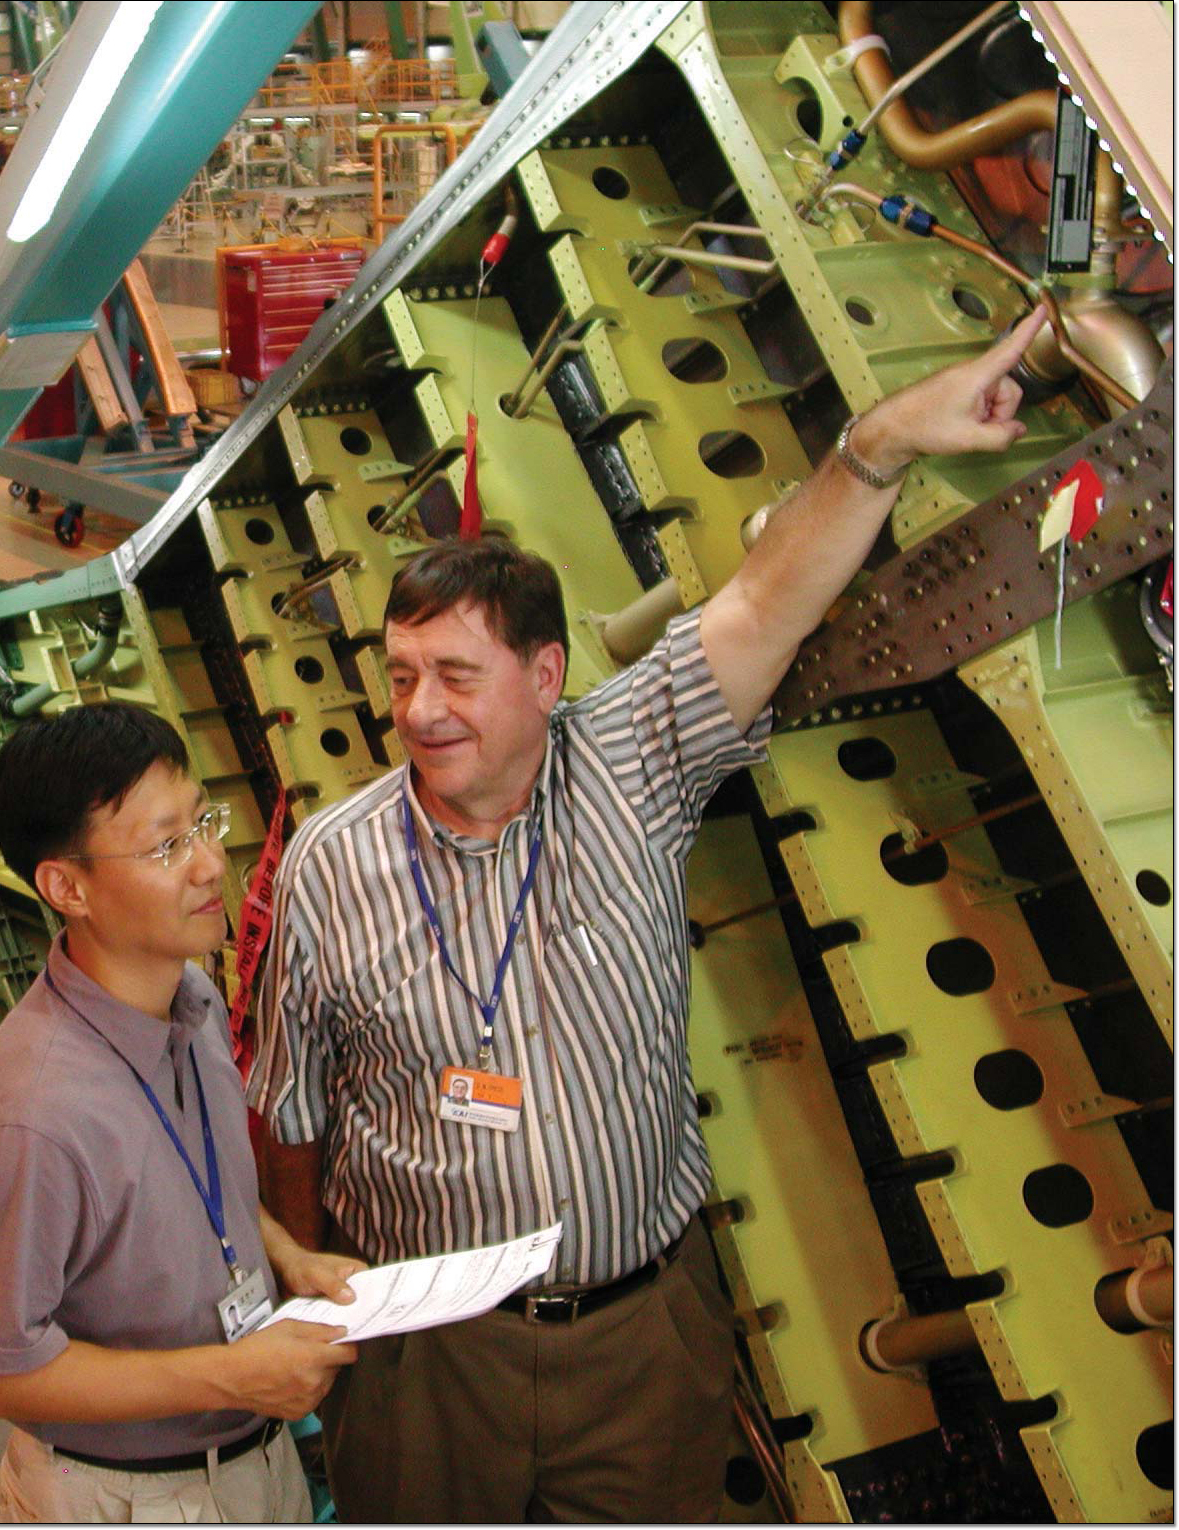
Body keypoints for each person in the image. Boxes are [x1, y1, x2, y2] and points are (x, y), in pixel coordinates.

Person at [249, 313, 1051, 1520]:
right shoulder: (331, 860)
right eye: (403, 674)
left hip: (637, 1339)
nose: (420, 712)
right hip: (431, 1356)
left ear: (545, 677)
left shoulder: (629, 762)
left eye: (457, 677)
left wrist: (878, 446)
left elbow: (765, 607)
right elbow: (290, 1121)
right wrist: (328, 1310)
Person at [0, 702, 364, 1522]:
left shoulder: (189, 993)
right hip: (123, 1496)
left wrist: (285, 1256)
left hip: (252, 1462)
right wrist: (229, 1374)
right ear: (67, 886)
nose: (212, 864)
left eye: (205, 822)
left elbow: (186, 1176)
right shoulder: (34, 1115)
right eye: (168, 846)